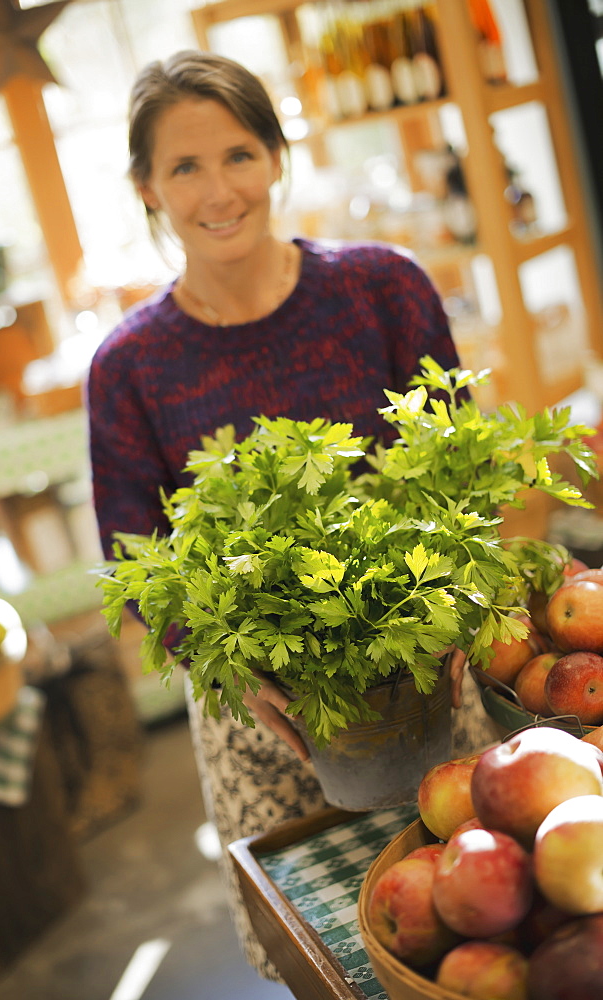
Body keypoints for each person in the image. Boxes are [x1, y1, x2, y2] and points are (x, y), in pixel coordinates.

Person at [86, 49, 489, 982]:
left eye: (238, 154)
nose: (217, 189)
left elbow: (458, 477)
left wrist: (460, 607)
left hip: (419, 669)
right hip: (255, 713)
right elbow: (133, 561)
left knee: (468, 918)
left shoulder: (381, 288)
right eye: (183, 166)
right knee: (321, 959)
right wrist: (230, 672)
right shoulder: (128, 366)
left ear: (275, 157)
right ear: (147, 185)